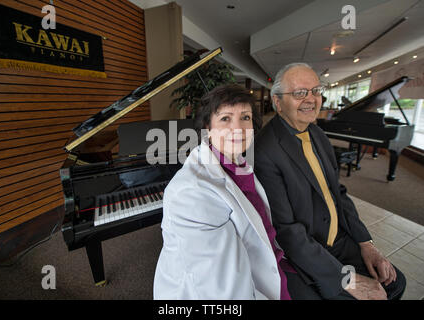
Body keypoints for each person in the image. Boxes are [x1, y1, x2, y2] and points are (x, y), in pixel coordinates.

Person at [254, 63, 406, 300]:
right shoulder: (265, 151)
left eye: (316, 90)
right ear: (277, 102)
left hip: (340, 239)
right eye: (299, 93)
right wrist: (346, 279)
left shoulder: (317, 134)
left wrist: (366, 243)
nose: (312, 99)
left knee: (395, 282)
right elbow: (287, 232)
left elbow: (338, 193)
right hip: (310, 253)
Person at [154, 84, 294, 299]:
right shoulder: (191, 192)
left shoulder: (238, 163)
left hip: (270, 267)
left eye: (245, 117)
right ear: (208, 128)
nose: (238, 128)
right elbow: (225, 291)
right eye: (225, 118)